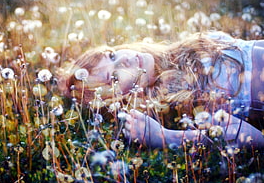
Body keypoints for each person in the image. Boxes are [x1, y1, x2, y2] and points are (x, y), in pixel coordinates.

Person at [58, 31, 264, 149]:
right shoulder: (184, 98)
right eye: (114, 76)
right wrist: (164, 137)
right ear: (125, 98)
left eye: (112, 55)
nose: (124, 59)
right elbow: (251, 137)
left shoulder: (183, 49)